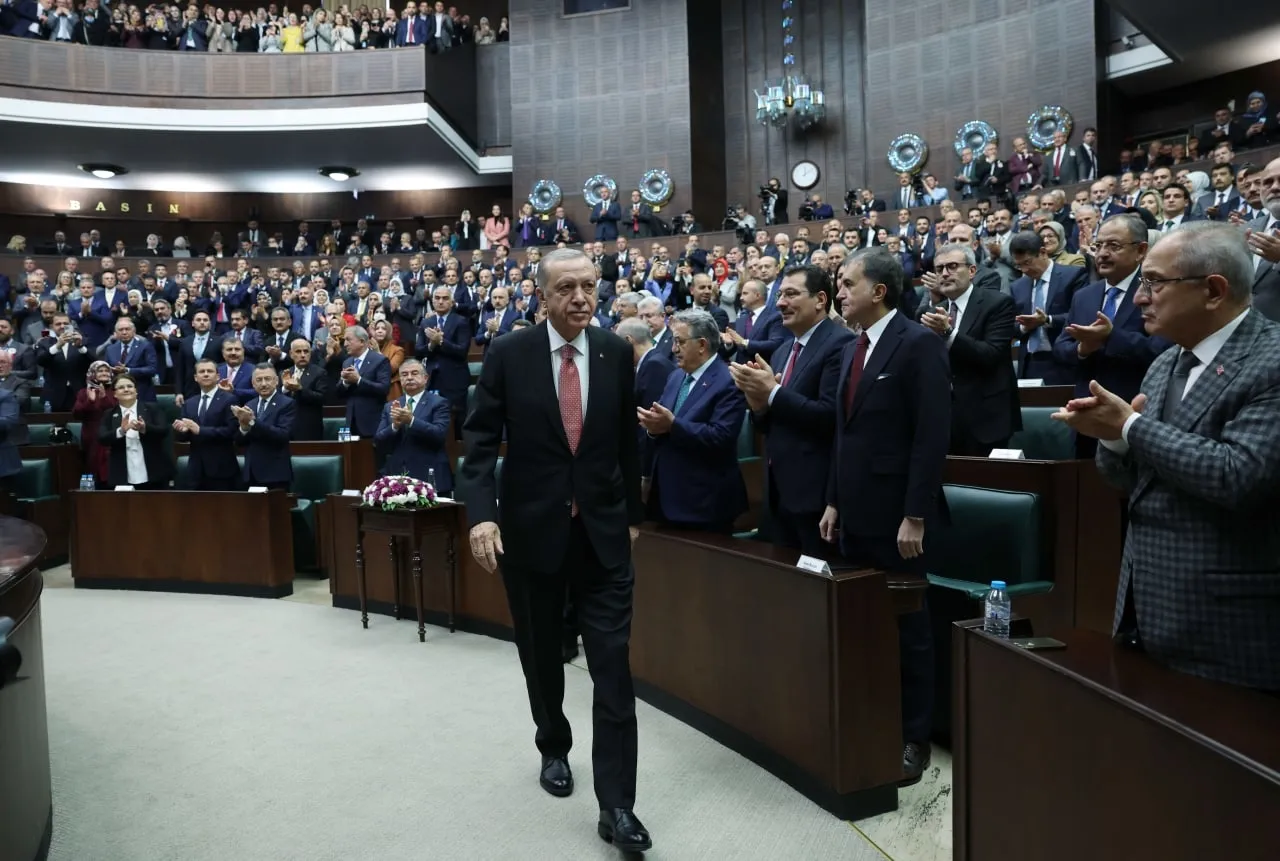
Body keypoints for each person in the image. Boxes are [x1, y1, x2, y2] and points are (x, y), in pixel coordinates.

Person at [457, 248, 651, 853]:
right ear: (541, 295)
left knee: (612, 667)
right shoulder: (509, 353)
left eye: (589, 286)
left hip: (603, 537)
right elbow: (479, 442)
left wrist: (632, 518)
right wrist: (481, 515)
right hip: (532, 534)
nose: (580, 297)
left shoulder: (615, 351)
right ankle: (553, 745)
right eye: (566, 287)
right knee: (541, 654)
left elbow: (625, 444)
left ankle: (618, 805)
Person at [1052, 221, 1280, 692]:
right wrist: (1113, 441)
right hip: (1145, 611)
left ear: (1213, 291)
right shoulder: (1164, 363)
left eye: (1154, 282)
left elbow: (1239, 475)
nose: (1139, 298)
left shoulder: (1271, 359)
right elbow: (1128, 479)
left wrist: (1130, 428)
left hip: (1229, 627)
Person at [821, 249, 950, 786]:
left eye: (847, 283)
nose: (839, 292)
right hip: (853, 513)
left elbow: (931, 435)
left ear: (879, 291)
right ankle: (869, 720)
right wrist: (833, 500)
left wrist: (915, 513)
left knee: (908, 630)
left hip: (899, 518)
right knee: (862, 624)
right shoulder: (852, 346)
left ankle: (913, 737)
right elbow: (843, 433)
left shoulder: (918, 343)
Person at [729, 264, 852, 554]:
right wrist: (759, 405)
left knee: (817, 576)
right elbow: (771, 424)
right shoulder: (783, 350)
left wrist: (772, 393)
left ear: (820, 300)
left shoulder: (841, 343)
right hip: (778, 493)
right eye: (780, 295)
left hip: (816, 496)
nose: (780, 303)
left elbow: (829, 417)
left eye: (791, 294)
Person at [1051, 214, 1173, 457]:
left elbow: (1163, 351)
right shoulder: (1084, 296)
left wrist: (1110, 337)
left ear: (1140, 251)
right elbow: (1061, 347)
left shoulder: (1156, 291)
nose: (1102, 254)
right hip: (1086, 416)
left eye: (1114, 246)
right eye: (1098, 246)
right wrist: (1082, 349)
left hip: (1137, 416)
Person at [639, 309, 747, 533]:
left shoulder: (729, 381)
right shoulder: (676, 375)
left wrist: (672, 425)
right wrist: (652, 427)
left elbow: (721, 436)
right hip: (666, 496)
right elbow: (663, 421)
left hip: (705, 502)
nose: (673, 349)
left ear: (701, 345)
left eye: (679, 341)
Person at [918, 244, 1021, 455]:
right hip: (945, 419)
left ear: (972, 271)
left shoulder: (998, 303)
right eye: (939, 269)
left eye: (952, 266)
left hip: (987, 418)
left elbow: (990, 354)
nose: (945, 273)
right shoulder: (935, 311)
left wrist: (948, 333)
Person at [374, 359, 453, 489]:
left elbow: (440, 434)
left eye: (414, 373)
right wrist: (395, 426)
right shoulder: (390, 406)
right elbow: (378, 440)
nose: (409, 378)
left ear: (425, 378)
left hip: (429, 474)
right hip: (398, 477)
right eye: (404, 374)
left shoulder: (439, 403)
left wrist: (411, 421)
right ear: (400, 379)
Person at [173, 358, 242, 491]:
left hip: (222, 468)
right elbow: (183, 437)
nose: (205, 374)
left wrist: (200, 430)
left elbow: (232, 431)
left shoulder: (229, 399)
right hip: (195, 468)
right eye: (202, 372)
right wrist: (181, 430)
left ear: (217, 376)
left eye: (209, 371)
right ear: (195, 377)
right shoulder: (190, 403)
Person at [98, 374, 174, 490]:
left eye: (130, 386)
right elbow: (102, 438)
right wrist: (121, 431)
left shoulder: (152, 408)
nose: (126, 389)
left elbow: (164, 431)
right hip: (122, 470)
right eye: (121, 387)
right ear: (115, 394)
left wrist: (145, 428)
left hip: (154, 469)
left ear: (136, 391)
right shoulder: (109, 414)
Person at [232, 364, 296, 490]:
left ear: (276, 381)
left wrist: (253, 422)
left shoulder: (287, 403)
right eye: (259, 380)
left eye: (267, 379)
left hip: (275, 474)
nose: (263, 384)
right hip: (251, 473)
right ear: (253, 383)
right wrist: (244, 427)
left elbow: (283, 435)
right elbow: (239, 442)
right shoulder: (249, 404)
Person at [337, 325, 391, 438]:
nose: (345, 344)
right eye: (344, 340)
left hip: (372, 423)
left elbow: (384, 389)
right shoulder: (347, 362)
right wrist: (345, 383)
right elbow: (338, 392)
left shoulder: (380, 360)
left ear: (361, 341)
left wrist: (359, 380)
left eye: (348, 340)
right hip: (351, 423)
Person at [73, 361, 117, 487]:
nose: (104, 373)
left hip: (111, 432)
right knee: (91, 466)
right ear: (93, 374)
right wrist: (90, 402)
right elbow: (76, 414)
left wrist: (104, 399)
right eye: (100, 371)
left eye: (106, 371)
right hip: (91, 434)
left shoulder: (116, 390)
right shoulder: (84, 392)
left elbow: (116, 411)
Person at [281, 338, 328, 441]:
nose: (303, 355)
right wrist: (285, 388)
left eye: (306, 351)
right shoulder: (285, 373)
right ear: (291, 354)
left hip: (309, 427)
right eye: (298, 351)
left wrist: (300, 389)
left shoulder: (319, 372)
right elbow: (277, 399)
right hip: (286, 426)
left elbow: (322, 398)